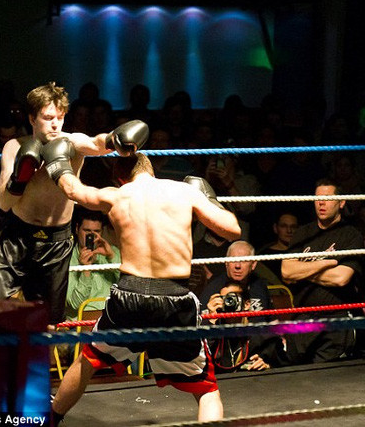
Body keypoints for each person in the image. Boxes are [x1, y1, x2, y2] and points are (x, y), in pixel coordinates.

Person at [46, 152, 241, 422]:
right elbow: (232, 230)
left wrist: (56, 159)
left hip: (129, 295)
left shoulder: (116, 196)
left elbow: (72, 190)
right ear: (150, 169)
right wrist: (208, 200)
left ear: (120, 179)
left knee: (88, 361)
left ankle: (51, 418)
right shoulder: (185, 192)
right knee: (206, 389)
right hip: (174, 297)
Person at [0, 81, 149, 325]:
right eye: (47, 117)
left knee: (49, 322)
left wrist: (113, 140)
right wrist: (20, 179)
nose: (55, 124)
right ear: (32, 119)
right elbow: (3, 202)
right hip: (18, 237)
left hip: (56, 242)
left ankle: (37, 351)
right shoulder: (15, 147)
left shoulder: (72, 143)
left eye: (60, 117)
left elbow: (96, 143)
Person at [281, 179, 364, 364]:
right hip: (302, 318)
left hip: (335, 321)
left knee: (327, 376)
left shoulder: (351, 235)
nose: (321, 203)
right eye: (317, 198)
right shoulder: (302, 233)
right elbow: (286, 272)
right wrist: (324, 264)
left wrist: (302, 272)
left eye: (327, 198)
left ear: (341, 202)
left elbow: (341, 278)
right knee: (295, 375)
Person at [204, 280, 285, 373]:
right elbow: (200, 362)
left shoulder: (263, 337)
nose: (229, 302)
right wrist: (211, 321)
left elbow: (284, 365)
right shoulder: (214, 336)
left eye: (233, 297)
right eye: (225, 299)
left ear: (247, 304)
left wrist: (267, 366)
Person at [65, 208, 121, 321]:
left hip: (109, 318)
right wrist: (86, 270)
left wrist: (111, 257)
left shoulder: (112, 252)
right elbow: (74, 304)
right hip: (80, 321)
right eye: (87, 231)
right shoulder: (67, 259)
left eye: (97, 231)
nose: (91, 236)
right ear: (77, 229)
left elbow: (127, 288)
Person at [199, 240, 273, 317]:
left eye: (243, 261)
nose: (237, 266)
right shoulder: (212, 289)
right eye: (233, 260)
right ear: (226, 262)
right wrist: (212, 318)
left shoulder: (259, 286)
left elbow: (271, 320)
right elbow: (201, 322)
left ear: (253, 264)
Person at [258, 212, 299, 283]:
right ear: (275, 228)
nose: (289, 231)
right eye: (283, 226)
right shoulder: (264, 256)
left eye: (293, 227)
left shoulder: (305, 253)